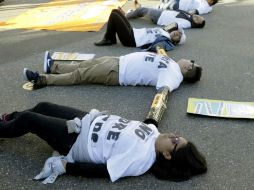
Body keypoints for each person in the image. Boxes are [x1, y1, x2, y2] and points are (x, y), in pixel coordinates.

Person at [0, 101, 208, 184]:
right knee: (43, 106)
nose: (173, 135)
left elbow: (105, 171)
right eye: (177, 136)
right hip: (86, 121)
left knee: (30, 121)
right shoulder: (155, 133)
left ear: (168, 155)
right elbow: (151, 120)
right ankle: (9, 120)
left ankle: (6, 126)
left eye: (175, 142)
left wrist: (67, 167)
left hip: (76, 141)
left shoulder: (141, 161)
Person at [23, 51, 202, 91]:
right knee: (84, 65)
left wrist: (152, 120)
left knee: (80, 76)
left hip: (118, 72)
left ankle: (42, 80)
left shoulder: (174, 77)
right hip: (119, 61)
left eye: (191, 62)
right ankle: (53, 67)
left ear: (188, 68)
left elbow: (163, 92)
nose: (189, 59)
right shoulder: (172, 64)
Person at [94, 9, 186, 51]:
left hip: (131, 40)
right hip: (133, 32)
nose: (177, 33)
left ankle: (108, 39)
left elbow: (159, 47)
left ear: (175, 42)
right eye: (178, 32)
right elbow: (175, 24)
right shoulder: (164, 31)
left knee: (114, 16)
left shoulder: (166, 41)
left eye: (179, 36)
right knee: (115, 11)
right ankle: (111, 38)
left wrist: (158, 50)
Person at [125, 6, 205, 29]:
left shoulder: (187, 23)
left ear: (195, 24)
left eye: (197, 19)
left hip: (159, 17)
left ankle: (125, 16)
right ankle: (131, 13)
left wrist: (162, 30)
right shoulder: (189, 17)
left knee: (141, 10)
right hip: (162, 12)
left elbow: (175, 25)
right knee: (142, 11)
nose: (197, 17)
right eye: (199, 16)